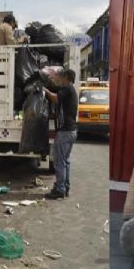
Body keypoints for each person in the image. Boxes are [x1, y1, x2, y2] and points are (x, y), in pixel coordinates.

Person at [43, 69, 78, 199]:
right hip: (71, 131)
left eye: (62, 76)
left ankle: (60, 189)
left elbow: (56, 99)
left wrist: (45, 92)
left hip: (65, 132)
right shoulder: (71, 89)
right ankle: (65, 187)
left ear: (67, 78)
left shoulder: (66, 88)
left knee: (59, 161)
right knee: (65, 161)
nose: (60, 79)